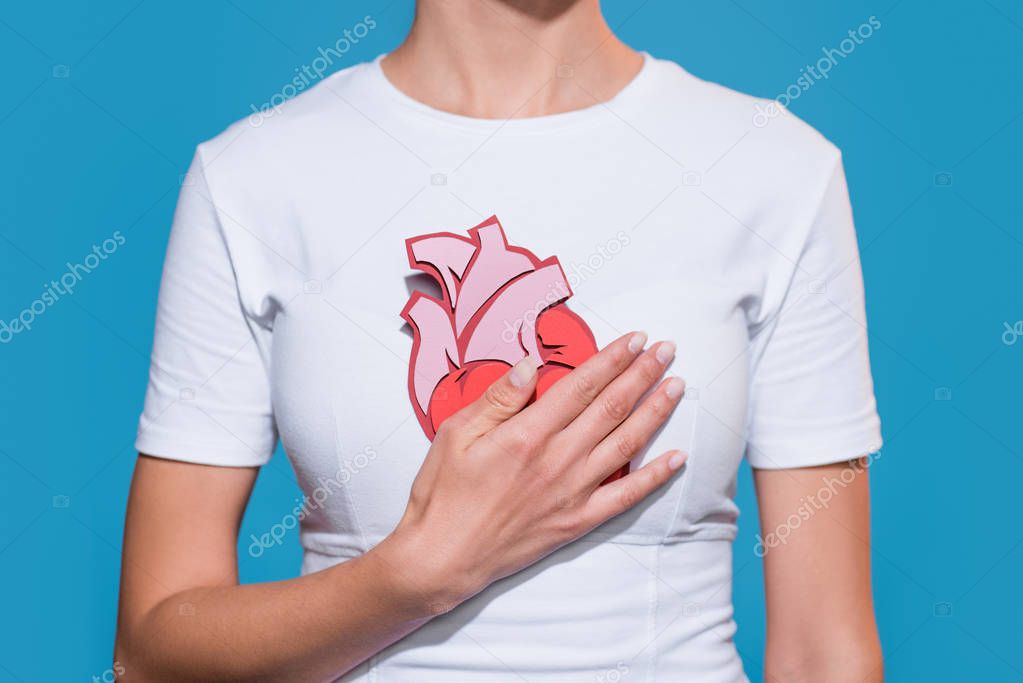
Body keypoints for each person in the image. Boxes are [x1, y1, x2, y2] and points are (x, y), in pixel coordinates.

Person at [115, 1, 884, 681]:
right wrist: (417, 573)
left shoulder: (775, 169)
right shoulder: (252, 177)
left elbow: (824, 653)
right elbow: (150, 655)